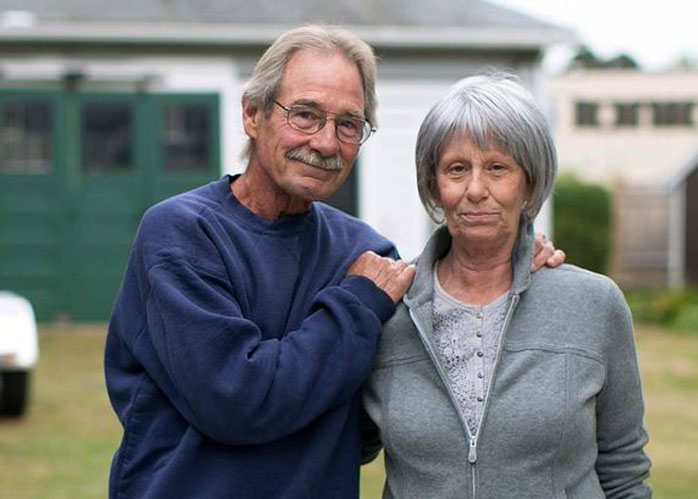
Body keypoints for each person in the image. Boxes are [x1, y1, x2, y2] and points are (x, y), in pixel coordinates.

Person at [104, 25, 563, 499]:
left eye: (348, 124)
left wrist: (503, 261)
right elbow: (237, 401)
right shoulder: (183, 235)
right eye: (305, 115)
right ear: (252, 114)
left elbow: (386, 413)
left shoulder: (367, 254)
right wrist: (355, 305)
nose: (326, 143)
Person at [362, 73, 652, 498]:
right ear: (433, 186)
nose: (476, 189)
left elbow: (624, 471)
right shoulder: (389, 308)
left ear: (529, 181)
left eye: (498, 168)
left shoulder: (594, 304)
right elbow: (344, 446)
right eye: (456, 169)